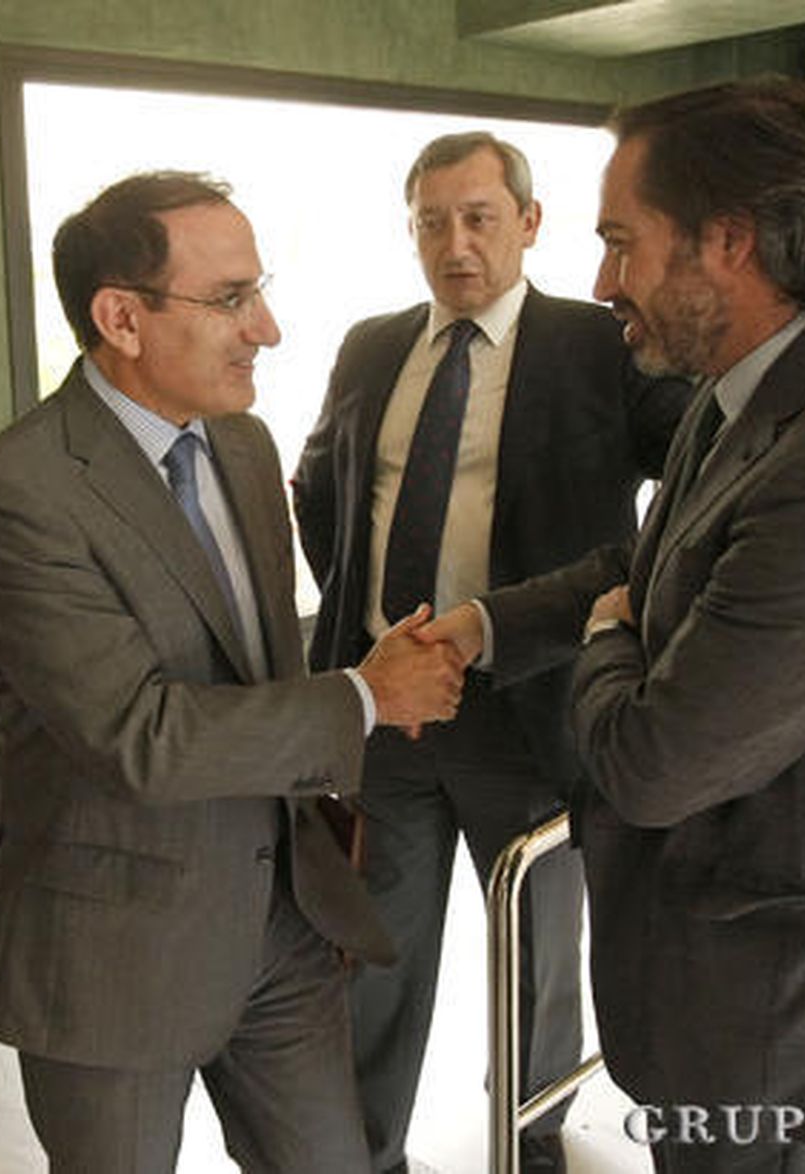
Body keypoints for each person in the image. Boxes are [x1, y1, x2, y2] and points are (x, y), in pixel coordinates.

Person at [427, 79, 805, 1171]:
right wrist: (483, 624)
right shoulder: (772, 375)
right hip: (731, 981)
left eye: (620, 242)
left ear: (728, 242)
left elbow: (649, 760)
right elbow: (653, 566)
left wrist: (608, 641)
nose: (601, 280)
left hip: (781, 1021)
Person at [0, 171, 466, 1174]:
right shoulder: (15, 494)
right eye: (230, 298)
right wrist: (363, 696)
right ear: (120, 318)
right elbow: (138, 737)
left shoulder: (242, 442)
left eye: (256, 290)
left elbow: (260, 661)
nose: (265, 327)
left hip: (284, 926)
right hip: (115, 950)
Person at [293, 131, 690, 1173]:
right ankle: (368, 1149)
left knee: (537, 957)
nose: (454, 243)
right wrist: (364, 628)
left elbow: (701, 488)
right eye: (432, 221)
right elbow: (324, 489)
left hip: (533, 707)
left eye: (476, 217)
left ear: (527, 221)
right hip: (389, 709)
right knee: (377, 943)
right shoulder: (372, 345)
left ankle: (532, 1140)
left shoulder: (600, 342)